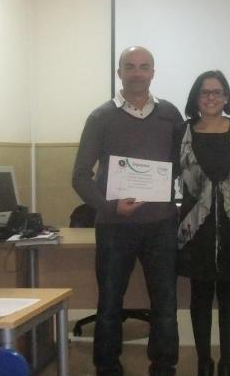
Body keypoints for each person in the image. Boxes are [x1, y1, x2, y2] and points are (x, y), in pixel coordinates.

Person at [72, 46, 183, 376]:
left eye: (144, 67)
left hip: (161, 226)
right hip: (114, 226)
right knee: (109, 304)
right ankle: (107, 367)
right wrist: (109, 205)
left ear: (153, 73)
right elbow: (80, 176)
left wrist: (172, 195)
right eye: (130, 66)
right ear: (119, 72)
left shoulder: (170, 114)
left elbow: (180, 165)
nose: (137, 73)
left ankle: (163, 367)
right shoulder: (100, 117)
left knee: (165, 304)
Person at [177, 71, 230, 376]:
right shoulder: (182, 132)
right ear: (196, 98)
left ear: (226, 97)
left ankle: (227, 363)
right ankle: (204, 362)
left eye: (217, 92)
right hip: (196, 229)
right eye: (204, 92)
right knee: (200, 297)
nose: (211, 98)